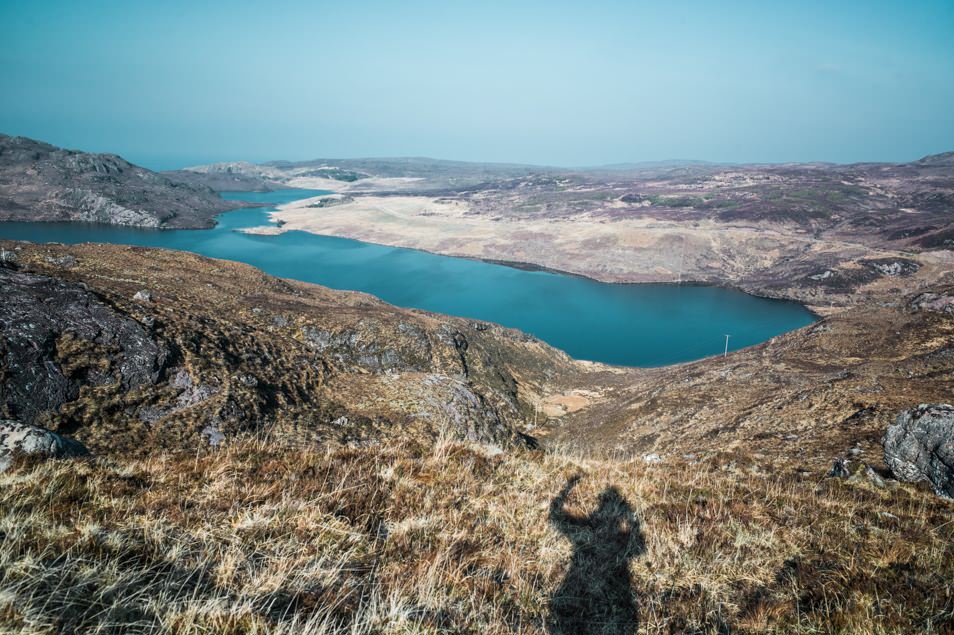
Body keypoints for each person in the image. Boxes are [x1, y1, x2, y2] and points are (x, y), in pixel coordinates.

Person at [548, 475, 643, 634]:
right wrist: (632, 520)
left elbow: (556, 518)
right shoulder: (619, 540)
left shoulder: (587, 534)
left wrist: (567, 489)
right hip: (605, 605)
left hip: (583, 603)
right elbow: (639, 547)